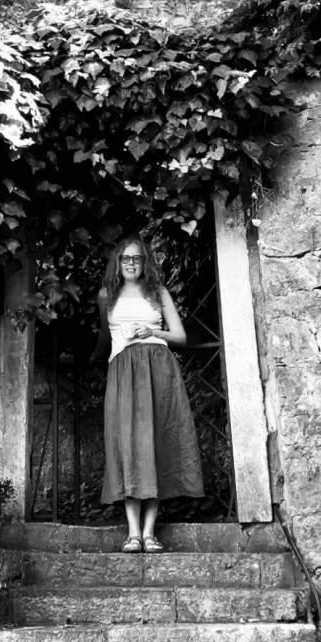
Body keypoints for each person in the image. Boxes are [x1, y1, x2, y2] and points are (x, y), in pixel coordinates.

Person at [90, 234, 204, 552]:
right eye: (125, 258)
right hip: (123, 371)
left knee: (155, 444)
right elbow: (105, 336)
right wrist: (94, 357)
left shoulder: (158, 291)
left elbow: (180, 336)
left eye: (137, 258)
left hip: (159, 369)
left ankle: (150, 532)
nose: (131, 263)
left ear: (145, 262)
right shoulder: (106, 295)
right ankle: (133, 533)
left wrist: (152, 331)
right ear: (117, 262)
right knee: (127, 446)